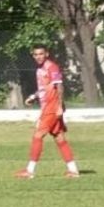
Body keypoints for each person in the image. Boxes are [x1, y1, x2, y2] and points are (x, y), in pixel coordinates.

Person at [14, 45, 79, 179]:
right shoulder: (40, 69)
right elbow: (45, 87)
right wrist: (34, 96)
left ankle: (29, 171)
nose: (38, 56)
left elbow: (59, 86)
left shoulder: (52, 67)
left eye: (41, 54)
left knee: (37, 136)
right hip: (48, 106)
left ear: (46, 54)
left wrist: (59, 106)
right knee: (60, 138)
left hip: (52, 107)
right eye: (35, 54)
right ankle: (73, 170)